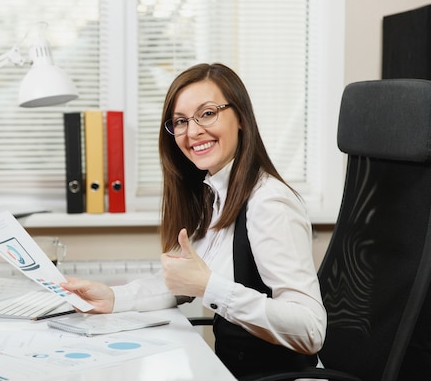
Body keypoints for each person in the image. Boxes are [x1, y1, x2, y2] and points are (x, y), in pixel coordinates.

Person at [60, 63, 326, 377]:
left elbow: (310, 329)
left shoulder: (269, 202)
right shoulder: (212, 193)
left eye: (208, 113)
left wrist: (210, 287)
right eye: (181, 121)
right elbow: (182, 283)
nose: (193, 131)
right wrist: (114, 297)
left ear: (240, 117)